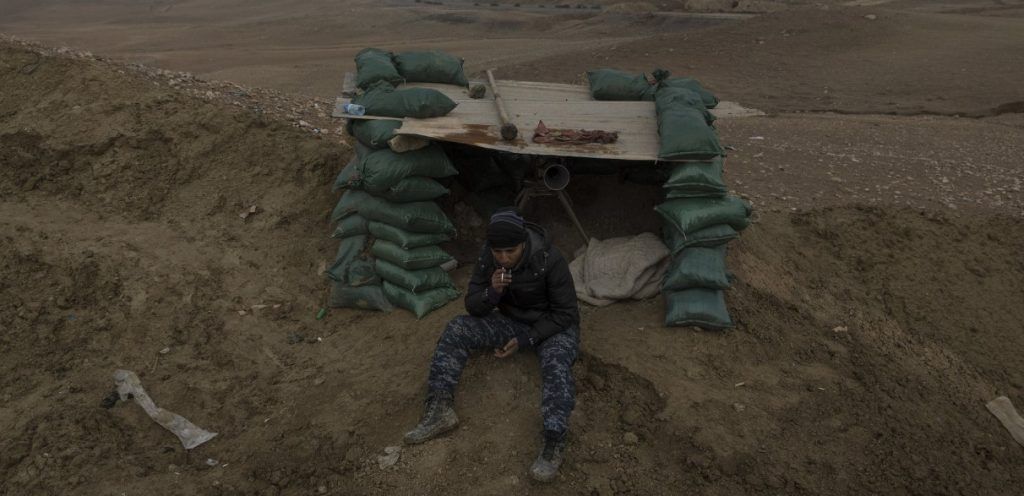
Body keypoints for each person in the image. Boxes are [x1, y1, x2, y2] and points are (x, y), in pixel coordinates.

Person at [404, 208, 581, 482]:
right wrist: (493, 292)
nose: (504, 258)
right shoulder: (489, 258)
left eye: (510, 251)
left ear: (523, 243)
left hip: (552, 327)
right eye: (498, 252)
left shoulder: (549, 259)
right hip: (512, 320)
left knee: (556, 364)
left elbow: (566, 313)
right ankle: (439, 410)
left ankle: (553, 440)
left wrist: (527, 339)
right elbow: (473, 306)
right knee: (457, 327)